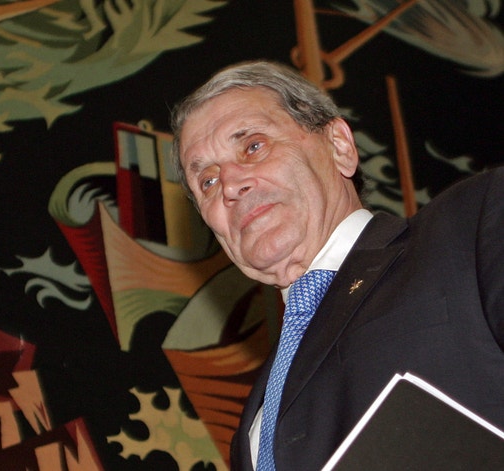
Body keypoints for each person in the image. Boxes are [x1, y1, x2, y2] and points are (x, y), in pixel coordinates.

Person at [170, 60, 504, 470]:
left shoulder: (473, 225)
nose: (230, 186)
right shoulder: (252, 425)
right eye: (207, 181)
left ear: (339, 147)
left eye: (253, 146)